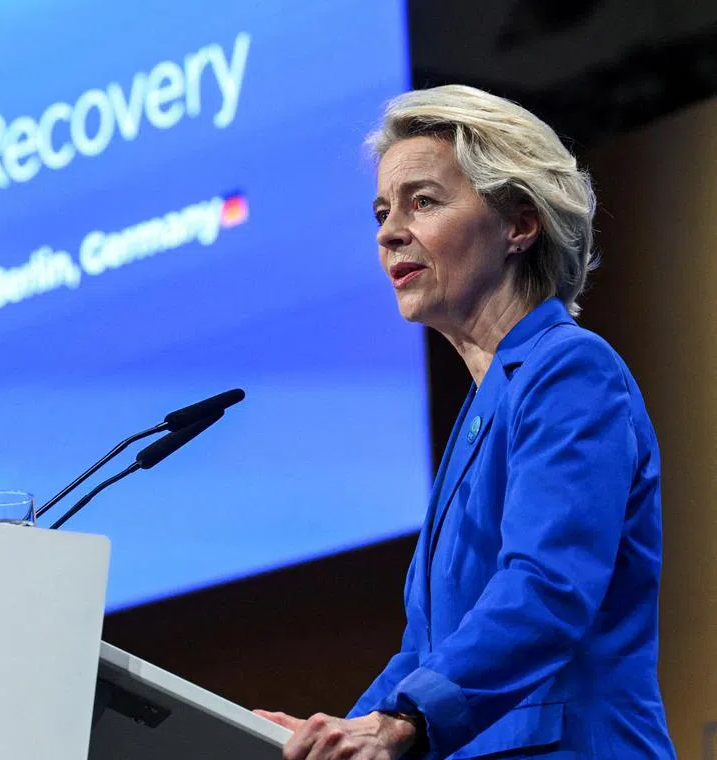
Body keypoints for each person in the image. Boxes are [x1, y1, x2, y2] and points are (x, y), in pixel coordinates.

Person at [255, 85, 676, 758]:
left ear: (519, 225)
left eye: (422, 202)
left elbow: (548, 587)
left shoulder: (571, 369)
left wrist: (399, 722)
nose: (389, 232)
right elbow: (426, 651)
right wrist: (330, 735)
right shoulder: (485, 406)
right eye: (383, 212)